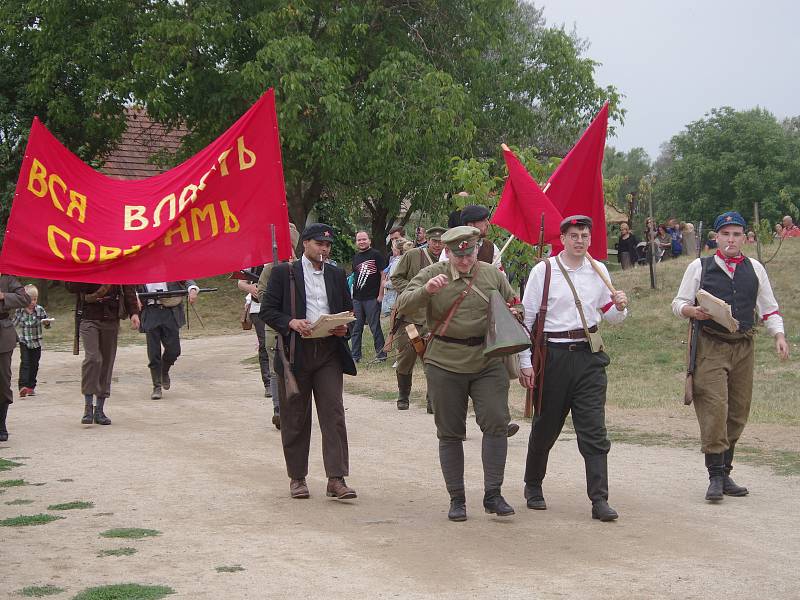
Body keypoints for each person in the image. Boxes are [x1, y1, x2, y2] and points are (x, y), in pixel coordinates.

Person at [396, 226, 522, 522]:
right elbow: (402, 304)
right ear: (447, 252)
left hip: (487, 360)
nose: (464, 261)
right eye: (458, 255)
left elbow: (515, 303)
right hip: (444, 361)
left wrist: (516, 312)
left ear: (476, 250)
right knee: (450, 432)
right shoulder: (432, 273)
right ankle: (457, 499)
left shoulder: (492, 274)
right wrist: (426, 291)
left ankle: (493, 494)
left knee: (496, 423)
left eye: (469, 254)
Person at [672, 211, 788, 502]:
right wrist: (692, 311)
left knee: (737, 411)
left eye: (737, 234)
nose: (731, 239)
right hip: (710, 345)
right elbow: (679, 303)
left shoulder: (756, 268)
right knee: (715, 408)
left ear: (744, 237)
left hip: (743, 346)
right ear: (717, 237)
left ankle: (725, 472)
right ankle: (714, 477)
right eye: (726, 234)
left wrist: (779, 335)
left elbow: (768, 308)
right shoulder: (699, 266)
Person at [519, 215, 629, 522]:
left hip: (589, 357)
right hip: (553, 356)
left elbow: (611, 316)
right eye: (573, 235)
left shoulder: (599, 269)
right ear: (562, 239)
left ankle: (599, 499)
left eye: (584, 235)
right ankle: (533, 484)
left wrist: (620, 306)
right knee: (546, 426)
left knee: (594, 430)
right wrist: (525, 362)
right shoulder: (544, 270)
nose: (579, 241)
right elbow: (527, 320)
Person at [261, 223, 358, 501]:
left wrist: (344, 327)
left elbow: (347, 309)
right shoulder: (284, 273)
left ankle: (336, 479)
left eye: (327, 245)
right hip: (296, 352)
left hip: (328, 351)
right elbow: (268, 310)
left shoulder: (337, 274)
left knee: (333, 414)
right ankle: (297, 478)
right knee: (295, 418)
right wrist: (291, 322)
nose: (324, 249)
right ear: (305, 244)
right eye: (319, 244)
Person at [440, 202, 519, 437]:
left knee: (498, 371)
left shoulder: (492, 248)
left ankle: (499, 420)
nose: (488, 224)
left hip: (488, 320)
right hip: (457, 322)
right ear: (472, 224)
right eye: (484, 221)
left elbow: (501, 280)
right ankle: (456, 421)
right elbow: (442, 276)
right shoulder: (449, 248)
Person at [65, 282, 140, 426]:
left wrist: (134, 312)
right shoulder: (83, 260)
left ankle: (99, 409)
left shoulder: (115, 260)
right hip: (88, 315)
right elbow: (70, 286)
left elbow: (128, 286)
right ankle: (88, 407)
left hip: (111, 316)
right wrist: (84, 275)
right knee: (93, 358)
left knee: (107, 362)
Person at [389, 226, 446, 411]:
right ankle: (403, 395)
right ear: (427, 240)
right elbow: (396, 278)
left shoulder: (449, 260)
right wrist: (414, 293)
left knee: (433, 361)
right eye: (434, 241)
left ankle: (433, 400)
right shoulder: (413, 255)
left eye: (440, 241)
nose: (437, 245)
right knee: (406, 357)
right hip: (411, 319)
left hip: (435, 321)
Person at [251, 222, 301, 430]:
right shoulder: (270, 267)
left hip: (301, 324)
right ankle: (279, 410)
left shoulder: (303, 266)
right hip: (275, 324)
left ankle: (297, 410)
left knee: (299, 367)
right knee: (276, 368)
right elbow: (261, 293)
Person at [136, 281, 199, 399]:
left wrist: (192, 289)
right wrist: (135, 297)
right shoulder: (141, 269)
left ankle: (164, 371)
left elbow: (186, 279)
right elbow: (130, 286)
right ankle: (157, 386)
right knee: (154, 352)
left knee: (174, 350)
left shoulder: (169, 266)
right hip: (150, 311)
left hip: (170, 311)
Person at [0, 276, 30, 441]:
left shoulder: (7, 279)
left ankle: (1, 423)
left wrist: (4, 296)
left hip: (2, 335)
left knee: (3, 381)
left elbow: (25, 298)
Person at [351, 231, 387, 363]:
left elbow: (384, 274)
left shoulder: (376, 255)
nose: (361, 242)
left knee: (375, 327)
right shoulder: (355, 257)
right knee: (356, 328)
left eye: (364, 239)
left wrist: (380, 295)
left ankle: (381, 355)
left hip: (372, 298)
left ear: (369, 240)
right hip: (357, 299)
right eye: (359, 240)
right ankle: (355, 356)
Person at [13, 284, 51, 397]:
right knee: (25, 363)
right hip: (24, 341)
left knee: (34, 364)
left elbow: (47, 324)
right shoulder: (19, 311)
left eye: (35, 299)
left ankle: (31, 386)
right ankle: (22, 386)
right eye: (30, 299)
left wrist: (47, 323)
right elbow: (13, 324)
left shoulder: (40, 310)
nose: (33, 302)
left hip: (37, 342)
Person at [381, 237, 407, 317]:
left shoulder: (397, 263)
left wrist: (385, 283)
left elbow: (394, 282)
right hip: (404, 298)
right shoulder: (407, 259)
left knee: (395, 325)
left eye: (393, 247)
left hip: (395, 299)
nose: (392, 249)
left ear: (397, 250)